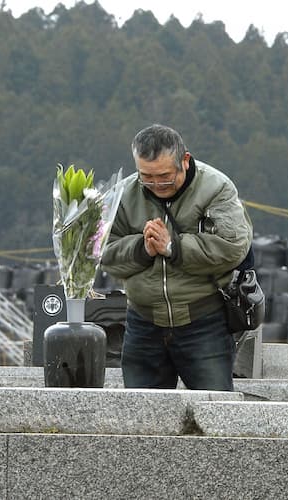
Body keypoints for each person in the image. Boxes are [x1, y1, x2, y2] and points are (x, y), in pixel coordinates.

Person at [102, 124, 253, 391]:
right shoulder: (122, 195)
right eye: (146, 176)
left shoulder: (217, 188)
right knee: (141, 418)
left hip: (203, 321)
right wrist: (143, 248)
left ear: (185, 160)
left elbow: (232, 247)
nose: (156, 184)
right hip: (142, 323)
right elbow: (102, 253)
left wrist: (174, 247)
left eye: (164, 176)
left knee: (215, 412)